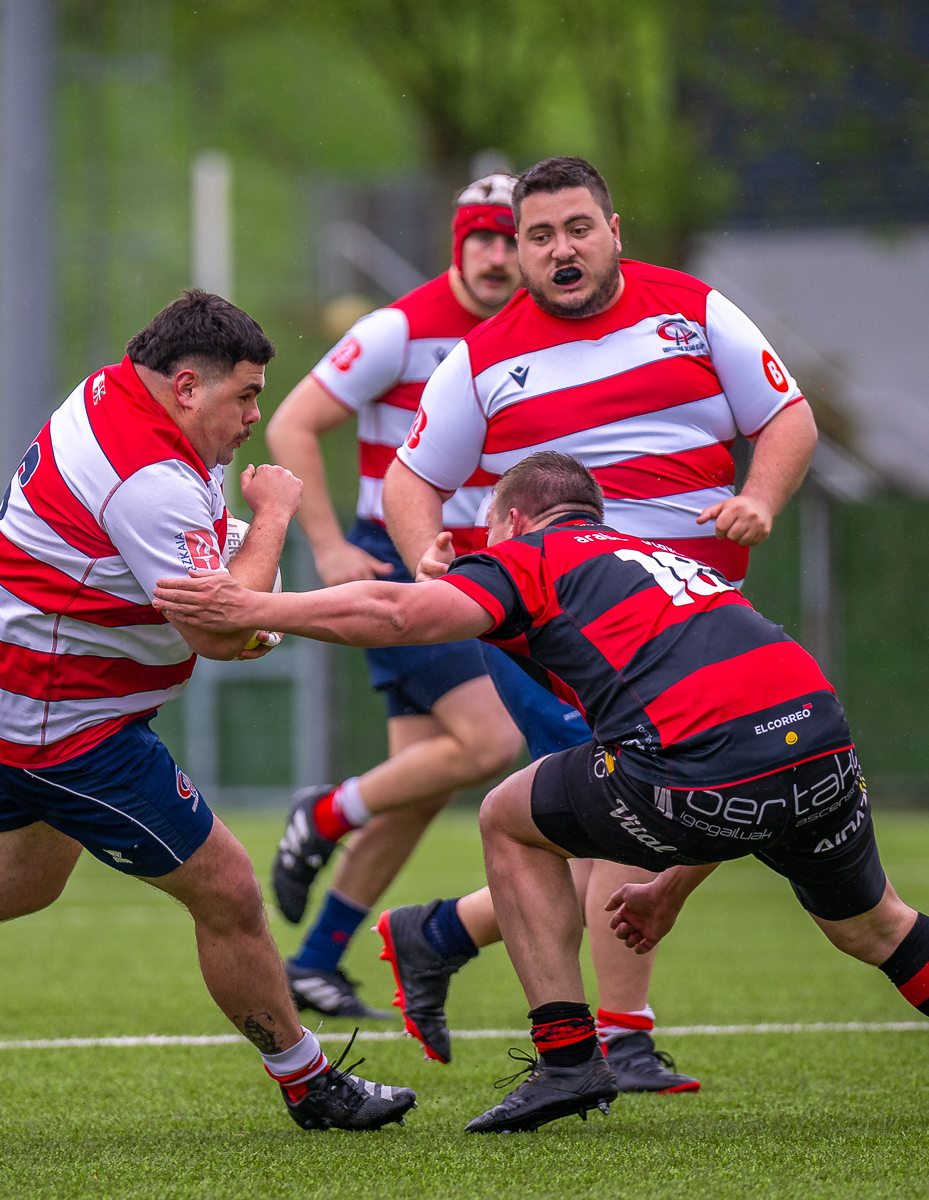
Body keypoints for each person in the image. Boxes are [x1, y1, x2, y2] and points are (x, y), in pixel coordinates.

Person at [154, 450, 929, 1132]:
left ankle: (568, 1060)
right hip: (819, 741)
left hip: (706, 761)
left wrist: (255, 607)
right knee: (873, 924)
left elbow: (397, 611)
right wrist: (669, 885)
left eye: (489, 531)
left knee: (508, 817)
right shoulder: (663, 565)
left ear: (514, 520)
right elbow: (738, 736)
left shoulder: (531, 557)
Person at [0, 291, 416, 1131]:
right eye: (246, 397)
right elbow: (217, 632)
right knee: (230, 892)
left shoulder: (115, 393)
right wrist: (274, 517)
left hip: (9, 692)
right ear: (186, 385)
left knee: (5, 885)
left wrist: (241, 566)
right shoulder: (148, 476)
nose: (254, 417)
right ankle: (309, 1082)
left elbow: (180, 552)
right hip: (67, 729)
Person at [374, 155, 822, 1086]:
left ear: (613, 232)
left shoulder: (694, 311)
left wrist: (760, 498)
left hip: (694, 626)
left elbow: (788, 418)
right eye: (539, 236)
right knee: (633, 797)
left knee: (613, 816)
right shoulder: (485, 356)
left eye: (577, 228)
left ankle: (439, 935)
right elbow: (409, 479)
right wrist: (424, 553)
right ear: (520, 251)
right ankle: (620, 1035)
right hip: (561, 639)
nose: (560, 249)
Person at [260, 174, 523, 1021]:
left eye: (511, 238)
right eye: (483, 238)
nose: (498, 255)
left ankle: (314, 963)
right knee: (492, 742)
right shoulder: (399, 329)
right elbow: (291, 423)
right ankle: (324, 812)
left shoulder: (532, 332)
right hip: (407, 568)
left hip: (485, 572)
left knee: (420, 787)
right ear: (457, 244)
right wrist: (331, 548)